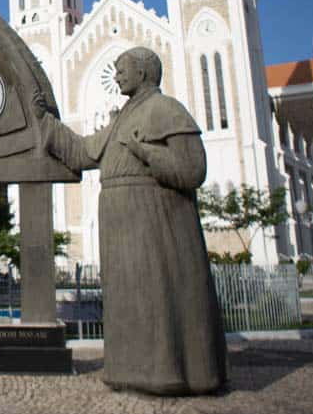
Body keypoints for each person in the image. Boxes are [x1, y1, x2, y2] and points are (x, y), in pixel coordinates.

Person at [33, 47, 227, 396]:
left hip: (153, 216)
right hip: (118, 218)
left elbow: (192, 169)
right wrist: (44, 121)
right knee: (126, 297)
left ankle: (169, 372)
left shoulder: (166, 110)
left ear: (143, 72)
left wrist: (146, 152)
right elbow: (82, 152)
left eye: (123, 69)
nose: (117, 75)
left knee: (157, 293)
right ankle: (127, 370)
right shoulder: (121, 117)